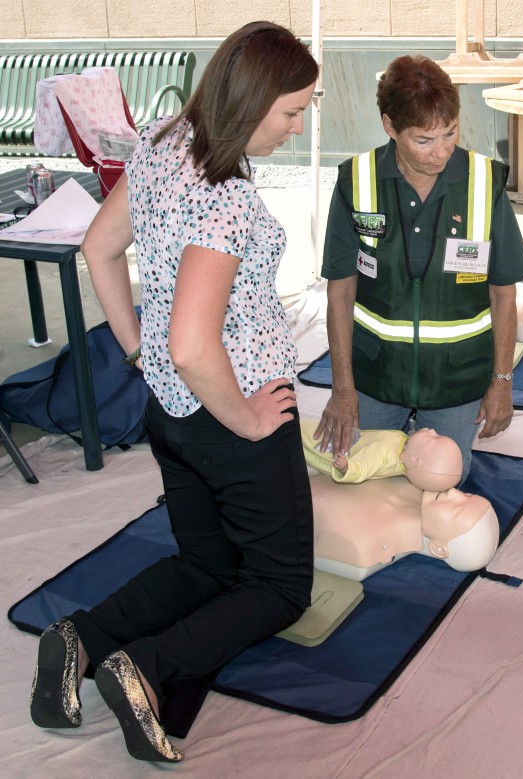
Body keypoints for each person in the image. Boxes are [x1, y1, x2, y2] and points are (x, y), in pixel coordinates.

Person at [28, 22, 319, 763]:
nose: (298, 126)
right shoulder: (224, 199)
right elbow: (194, 344)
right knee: (280, 586)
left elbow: (98, 248)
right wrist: (250, 420)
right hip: (229, 405)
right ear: (251, 101)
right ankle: (145, 669)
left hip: (172, 413)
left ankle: (80, 637)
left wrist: (137, 350)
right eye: (291, 111)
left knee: (206, 566)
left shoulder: (164, 139)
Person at [316, 54, 523, 483]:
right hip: (375, 374)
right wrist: (343, 390)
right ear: (390, 126)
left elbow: (503, 293)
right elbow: (339, 293)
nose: (442, 151)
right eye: (424, 140)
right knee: (358, 475)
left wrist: (501, 382)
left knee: (442, 477)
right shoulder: (355, 181)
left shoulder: (483, 183)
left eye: (450, 133)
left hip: (456, 379)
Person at [310, 474, 500, 581]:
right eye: (467, 496)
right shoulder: (417, 484)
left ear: (439, 548)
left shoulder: (364, 546)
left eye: (457, 509)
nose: (455, 494)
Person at [300, 420, 463, 491]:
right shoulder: (404, 449)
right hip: (351, 437)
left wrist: (347, 467)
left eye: (432, 438)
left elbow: (364, 466)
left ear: (415, 460)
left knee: (302, 434)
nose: (433, 431)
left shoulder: (384, 451)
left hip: (332, 447)